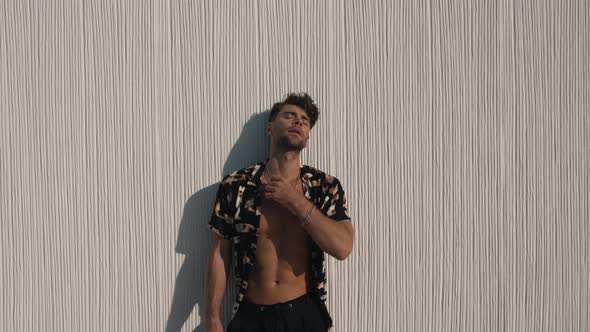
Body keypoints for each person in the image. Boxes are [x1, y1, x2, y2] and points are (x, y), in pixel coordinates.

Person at [205, 93, 354, 332]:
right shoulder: (237, 185)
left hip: (304, 314)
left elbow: (343, 247)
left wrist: (294, 199)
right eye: (289, 116)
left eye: (304, 121)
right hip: (251, 315)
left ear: (307, 138)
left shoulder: (324, 186)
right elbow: (220, 254)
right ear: (270, 128)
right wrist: (212, 318)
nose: (298, 122)